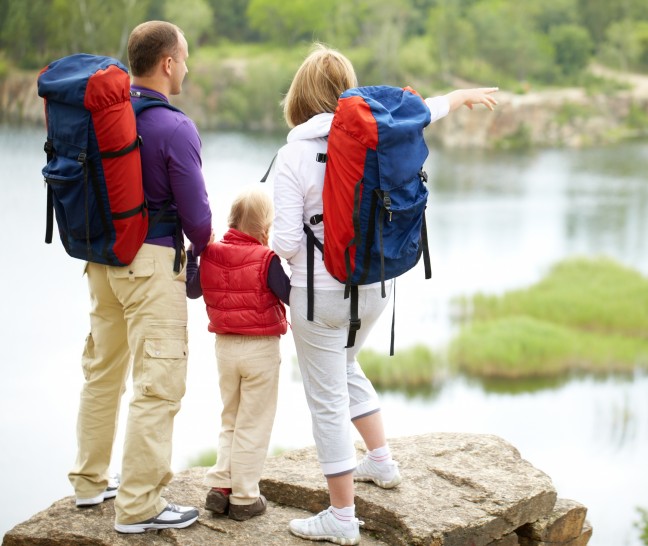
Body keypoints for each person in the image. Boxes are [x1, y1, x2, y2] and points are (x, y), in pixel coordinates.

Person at [271, 43, 498, 545]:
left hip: (318, 296)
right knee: (346, 365)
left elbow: (286, 242)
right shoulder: (378, 138)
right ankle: (381, 462)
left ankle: (341, 518)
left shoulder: (293, 154)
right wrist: (459, 96)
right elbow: (423, 111)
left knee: (325, 399)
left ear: (300, 95)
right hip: (375, 287)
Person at [67, 20, 213, 534]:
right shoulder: (175, 128)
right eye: (185, 57)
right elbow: (198, 221)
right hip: (150, 265)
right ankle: (138, 506)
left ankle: (89, 483)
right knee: (158, 385)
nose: (188, 66)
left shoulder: (105, 116)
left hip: (101, 259)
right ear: (168, 63)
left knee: (102, 371)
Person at [185, 187, 290, 521]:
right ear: (265, 230)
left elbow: (192, 290)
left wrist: (193, 256)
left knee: (230, 416)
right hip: (259, 349)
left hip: (225, 349)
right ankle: (244, 497)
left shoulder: (211, 253)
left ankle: (220, 486)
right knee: (253, 423)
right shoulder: (266, 258)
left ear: (230, 222)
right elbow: (290, 295)